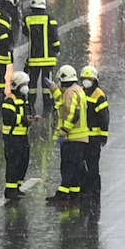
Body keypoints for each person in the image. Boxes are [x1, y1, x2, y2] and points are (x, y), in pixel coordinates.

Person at [49, 65, 89, 206]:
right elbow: (64, 104)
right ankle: (74, 193)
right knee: (76, 166)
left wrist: (64, 131)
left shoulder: (70, 93)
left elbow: (72, 113)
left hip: (72, 137)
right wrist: (54, 90)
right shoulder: (78, 91)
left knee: (67, 165)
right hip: (81, 138)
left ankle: (63, 194)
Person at [23, 0, 59, 114]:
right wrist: (56, 49)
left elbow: (25, 33)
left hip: (33, 58)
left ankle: (31, 105)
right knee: (47, 84)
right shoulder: (50, 18)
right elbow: (54, 36)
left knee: (32, 84)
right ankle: (47, 107)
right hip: (48, 59)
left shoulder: (27, 19)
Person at [1, 69, 32, 200]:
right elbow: (8, 118)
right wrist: (23, 119)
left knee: (23, 162)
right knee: (13, 163)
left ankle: (17, 187)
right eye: (24, 84)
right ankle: (10, 189)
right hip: (12, 138)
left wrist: (30, 118)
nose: (26, 87)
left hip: (22, 136)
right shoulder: (9, 101)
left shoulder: (23, 100)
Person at [80, 64, 110, 200]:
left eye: (89, 79)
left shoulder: (99, 96)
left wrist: (103, 136)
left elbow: (104, 118)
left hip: (94, 138)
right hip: (82, 136)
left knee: (93, 165)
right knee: (81, 163)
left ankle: (94, 190)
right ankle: (86, 187)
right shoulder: (81, 92)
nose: (86, 81)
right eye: (84, 79)